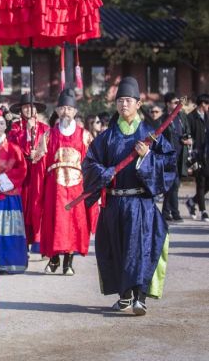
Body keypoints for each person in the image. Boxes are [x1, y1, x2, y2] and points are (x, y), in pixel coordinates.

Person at [82, 77, 176, 315]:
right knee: (116, 248)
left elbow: (169, 163)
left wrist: (147, 158)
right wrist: (106, 173)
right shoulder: (106, 137)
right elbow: (90, 163)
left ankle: (140, 297)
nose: (124, 105)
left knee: (142, 249)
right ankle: (123, 296)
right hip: (114, 202)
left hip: (140, 203)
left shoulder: (151, 135)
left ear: (138, 103)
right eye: (120, 100)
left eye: (128, 101)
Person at [39, 89, 98, 276]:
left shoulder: (85, 135)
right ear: (57, 111)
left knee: (74, 222)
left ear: (75, 112)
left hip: (76, 186)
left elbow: (92, 161)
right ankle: (54, 257)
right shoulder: (48, 135)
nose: (66, 112)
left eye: (70, 109)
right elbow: (40, 161)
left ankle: (68, 262)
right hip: (54, 187)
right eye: (62, 108)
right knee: (55, 221)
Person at [0, 104, 28, 274]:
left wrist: (5, 180)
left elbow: (22, 169)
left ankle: (10, 262)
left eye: (1, 123)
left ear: (6, 126)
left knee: (8, 229)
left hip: (9, 194)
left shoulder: (14, 148)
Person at [8, 93, 49, 253]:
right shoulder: (14, 128)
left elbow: (48, 149)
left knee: (38, 204)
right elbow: (13, 147)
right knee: (23, 206)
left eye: (31, 106)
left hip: (39, 172)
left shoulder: (45, 129)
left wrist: (38, 153)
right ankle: (23, 241)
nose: (28, 109)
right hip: (22, 173)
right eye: (25, 107)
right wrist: (27, 131)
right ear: (21, 110)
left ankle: (39, 240)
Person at [160, 92, 190, 222]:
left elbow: (187, 132)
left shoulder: (181, 117)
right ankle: (175, 212)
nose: (177, 105)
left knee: (172, 185)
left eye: (178, 102)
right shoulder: (164, 119)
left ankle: (166, 212)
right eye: (174, 102)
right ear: (168, 104)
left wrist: (188, 140)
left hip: (180, 155)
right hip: (168, 157)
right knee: (174, 184)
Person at [186, 93, 209, 221]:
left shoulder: (207, 117)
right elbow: (188, 136)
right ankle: (203, 211)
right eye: (208, 104)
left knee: (208, 183)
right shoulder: (191, 118)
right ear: (203, 104)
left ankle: (191, 201)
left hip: (207, 156)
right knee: (200, 183)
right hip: (196, 156)